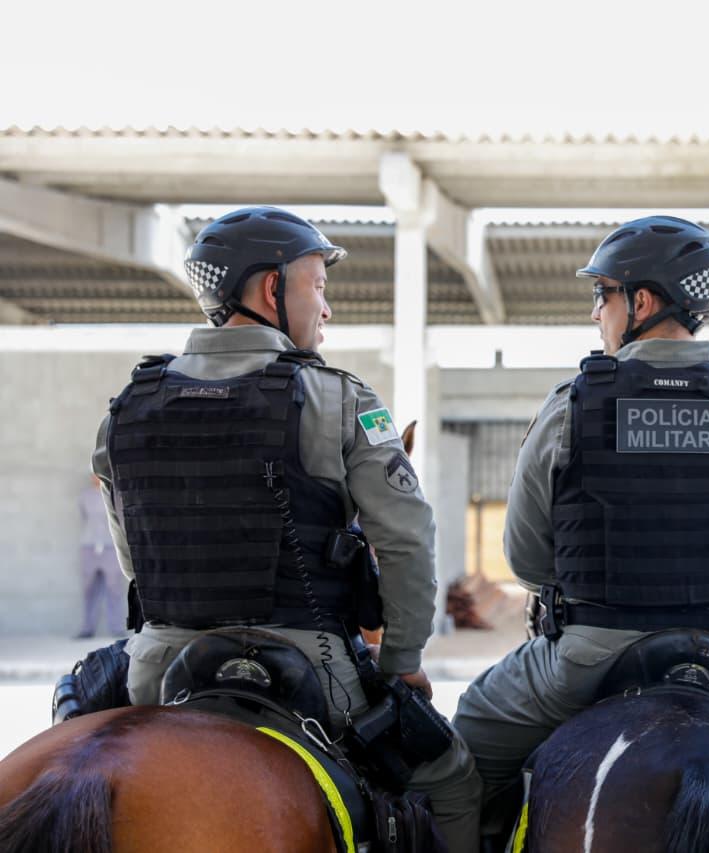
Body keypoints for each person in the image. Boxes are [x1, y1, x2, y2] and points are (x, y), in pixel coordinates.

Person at [453, 215, 709, 832]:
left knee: (471, 734)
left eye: (604, 295)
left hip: (588, 657)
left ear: (642, 301)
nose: (597, 313)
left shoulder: (571, 405)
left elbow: (526, 560)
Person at [90, 206, 482, 852]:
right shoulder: (341, 400)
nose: (325, 308)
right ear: (272, 289)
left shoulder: (129, 407)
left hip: (156, 667)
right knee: (454, 778)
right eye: (318, 286)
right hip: (312, 670)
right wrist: (403, 661)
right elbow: (409, 539)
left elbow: (134, 552)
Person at [75, 474, 126, 638]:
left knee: (114, 589)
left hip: (111, 547)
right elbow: (84, 518)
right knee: (89, 589)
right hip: (89, 546)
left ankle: (117, 628)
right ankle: (87, 628)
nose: (95, 478)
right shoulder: (85, 496)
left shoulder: (114, 494)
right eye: (92, 475)